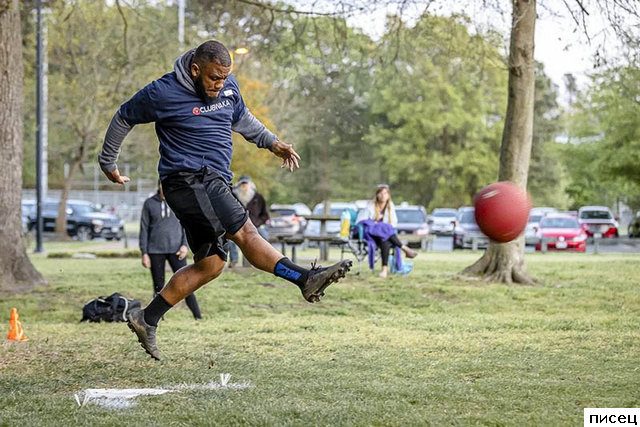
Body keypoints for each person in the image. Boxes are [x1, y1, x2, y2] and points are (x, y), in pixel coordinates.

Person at [98, 40, 351, 360]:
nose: (220, 84)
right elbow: (124, 116)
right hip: (187, 179)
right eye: (214, 78)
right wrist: (109, 163)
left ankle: (146, 318)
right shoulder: (162, 92)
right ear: (195, 69)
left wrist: (273, 143)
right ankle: (305, 278)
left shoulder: (228, 87)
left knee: (212, 265)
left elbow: (243, 119)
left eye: (224, 77)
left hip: (214, 180)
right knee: (245, 232)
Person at [140, 181, 201, 320]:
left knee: (187, 282)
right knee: (158, 285)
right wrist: (144, 252)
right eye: (163, 184)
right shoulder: (149, 203)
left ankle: (198, 316)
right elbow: (143, 229)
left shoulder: (178, 202)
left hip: (177, 250)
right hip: (155, 250)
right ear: (159, 186)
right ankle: (156, 318)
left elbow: (187, 225)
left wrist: (185, 245)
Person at [358, 184, 417, 278]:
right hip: (371, 234)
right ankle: (404, 248)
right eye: (380, 193)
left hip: (384, 236)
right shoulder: (371, 205)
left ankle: (384, 270)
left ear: (388, 195)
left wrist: (382, 226)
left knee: (385, 240)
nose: (383, 195)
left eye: (385, 193)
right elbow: (364, 220)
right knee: (384, 230)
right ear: (377, 194)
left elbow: (393, 223)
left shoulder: (390, 207)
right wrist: (377, 223)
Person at [226, 175, 269, 267]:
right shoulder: (232, 196)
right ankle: (234, 260)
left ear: (250, 185)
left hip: (256, 226)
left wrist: (257, 223)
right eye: (242, 184)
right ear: (239, 185)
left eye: (246, 184)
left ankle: (260, 261)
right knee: (230, 240)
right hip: (237, 225)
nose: (244, 186)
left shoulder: (258, 197)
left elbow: (265, 215)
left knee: (264, 237)